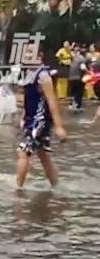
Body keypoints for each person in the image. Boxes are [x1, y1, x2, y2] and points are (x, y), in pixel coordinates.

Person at [17, 51, 67, 190]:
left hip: (40, 121)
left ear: (39, 57)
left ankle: (17, 189)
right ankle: (57, 187)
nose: (26, 56)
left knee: (23, 152)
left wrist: (59, 126)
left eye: (30, 53)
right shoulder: (28, 74)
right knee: (43, 155)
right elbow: (29, 100)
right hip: (31, 119)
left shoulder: (43, 76)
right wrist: (23, 116)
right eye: (25, 53)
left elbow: (52, 101)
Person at [69, 45, 88, 111]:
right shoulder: (82, 58)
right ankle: (77, 105)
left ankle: (72, 104)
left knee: (73, 91)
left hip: (71, 77)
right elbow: (83, 67)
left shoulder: (74, 58)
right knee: (79, 92)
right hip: (78, 77)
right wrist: (88, 72)